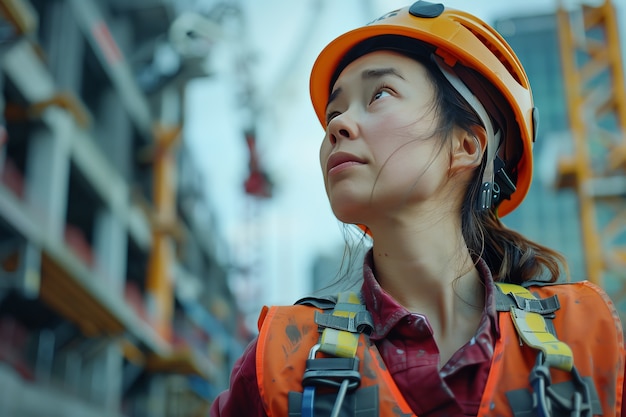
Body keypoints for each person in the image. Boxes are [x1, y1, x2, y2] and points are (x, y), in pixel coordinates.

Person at [210, 1, 625, 416]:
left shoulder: (590, 340)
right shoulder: (279, 363)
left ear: (466, 146)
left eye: (380, 94)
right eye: (334, 112)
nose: (337, 126)